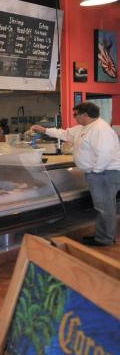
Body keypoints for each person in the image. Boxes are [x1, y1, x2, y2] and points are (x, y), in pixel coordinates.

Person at [32, 102, 120, 247]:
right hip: (99, 173)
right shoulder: (84, 128)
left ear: (84, 115)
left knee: (105, 207)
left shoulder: (100, 129)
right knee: (102, 207)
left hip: (105, 174)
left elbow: (105, 154)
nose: (74, 117)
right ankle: (104, 236)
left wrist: (95, 172)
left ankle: (105, 239)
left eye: (75, 114)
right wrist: (44, 130)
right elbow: (65, 134)